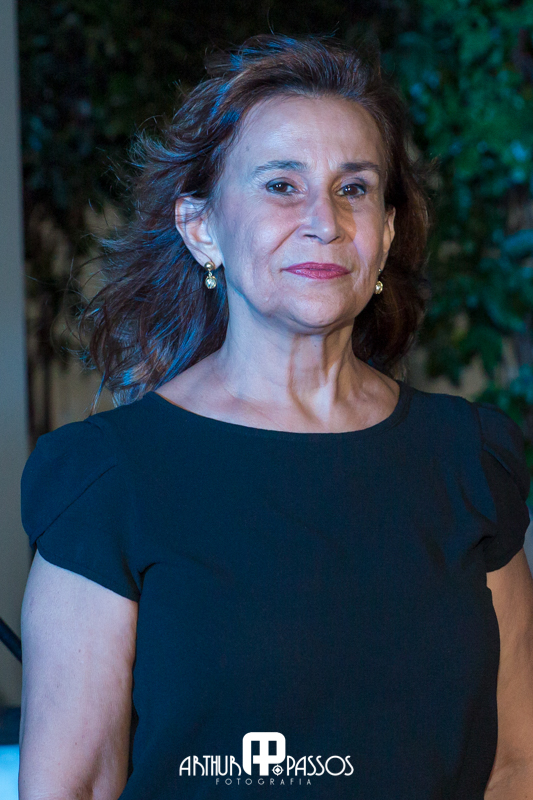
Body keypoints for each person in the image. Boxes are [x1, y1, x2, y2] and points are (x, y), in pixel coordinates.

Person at [18, 34, 533, 800]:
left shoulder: (468, 456)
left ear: (387, 233)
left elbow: (515, 763)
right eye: (281, 185)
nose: (325, 221)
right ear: (201, 228)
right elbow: (73, 787)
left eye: (353, 188)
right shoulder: (110, 480)